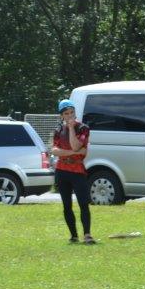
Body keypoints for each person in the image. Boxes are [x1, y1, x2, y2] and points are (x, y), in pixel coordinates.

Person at [51, 98, 94, 244]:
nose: (70, 116)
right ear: (61, 115)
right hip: (62, 171)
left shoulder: (83, 128)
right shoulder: (58, 130)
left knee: (83, 203)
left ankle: (87, 235)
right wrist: (72, 152)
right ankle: (74, 236)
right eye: (66, 113)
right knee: (67, 205)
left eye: (71, 112)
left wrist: (70, 129)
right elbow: (54, 151)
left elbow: (76, 145)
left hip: (78, 170)